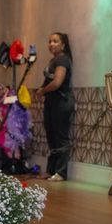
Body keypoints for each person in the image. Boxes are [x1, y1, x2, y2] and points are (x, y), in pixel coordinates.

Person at [35, 32, 75, 182]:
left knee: (60, 137)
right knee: (51, 136)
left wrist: (43, 91)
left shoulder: (63, 60)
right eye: (50, 41)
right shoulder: (54, 60)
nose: (51, 44)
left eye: (55, 41)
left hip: (61, 102)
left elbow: (57, 82)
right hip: (52, 103)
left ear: (63, 45)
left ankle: (61, 173)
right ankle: (51, 170)